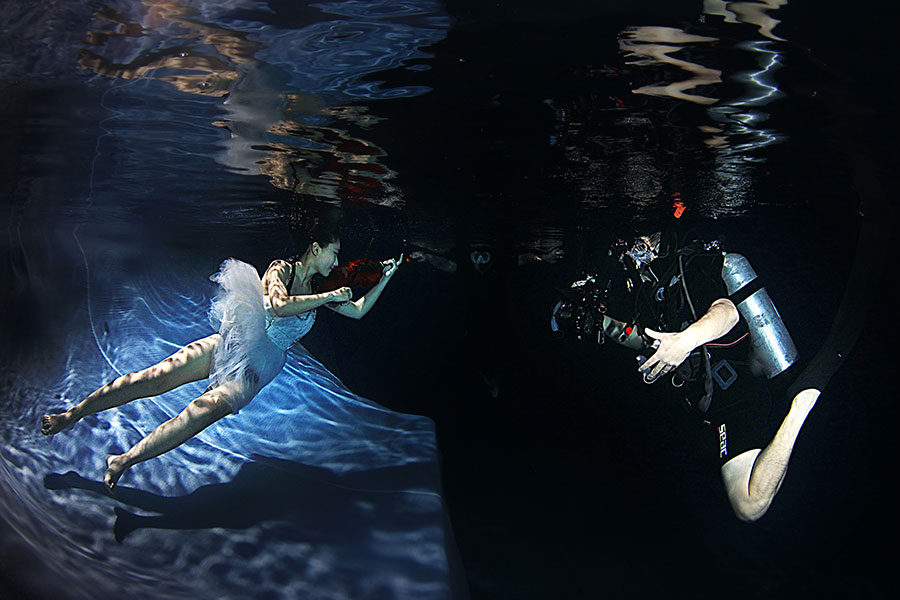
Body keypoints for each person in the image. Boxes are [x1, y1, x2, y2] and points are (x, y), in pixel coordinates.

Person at [41, 224, 403, 490]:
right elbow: (275, 305)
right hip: (233, 340)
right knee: (154, 378)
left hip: (257, 368)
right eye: (334, 252)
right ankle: (72, 415)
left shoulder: (322, 289)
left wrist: (384, 277)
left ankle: (124, 460)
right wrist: (326, 298)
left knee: (203, 411)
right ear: (315, 247)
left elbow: (356, 311)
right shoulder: (282, 269)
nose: (337, 260)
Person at [552, 231, 820, 521]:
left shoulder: (691, 268)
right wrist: (600, 322)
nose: (633, 256)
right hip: (703, 405)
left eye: (641, 245)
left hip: (733, 393)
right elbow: (644, 338)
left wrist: (685, 341)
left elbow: (727, 313)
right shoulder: (652, 291)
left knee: (749, 504)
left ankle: (801, 405)